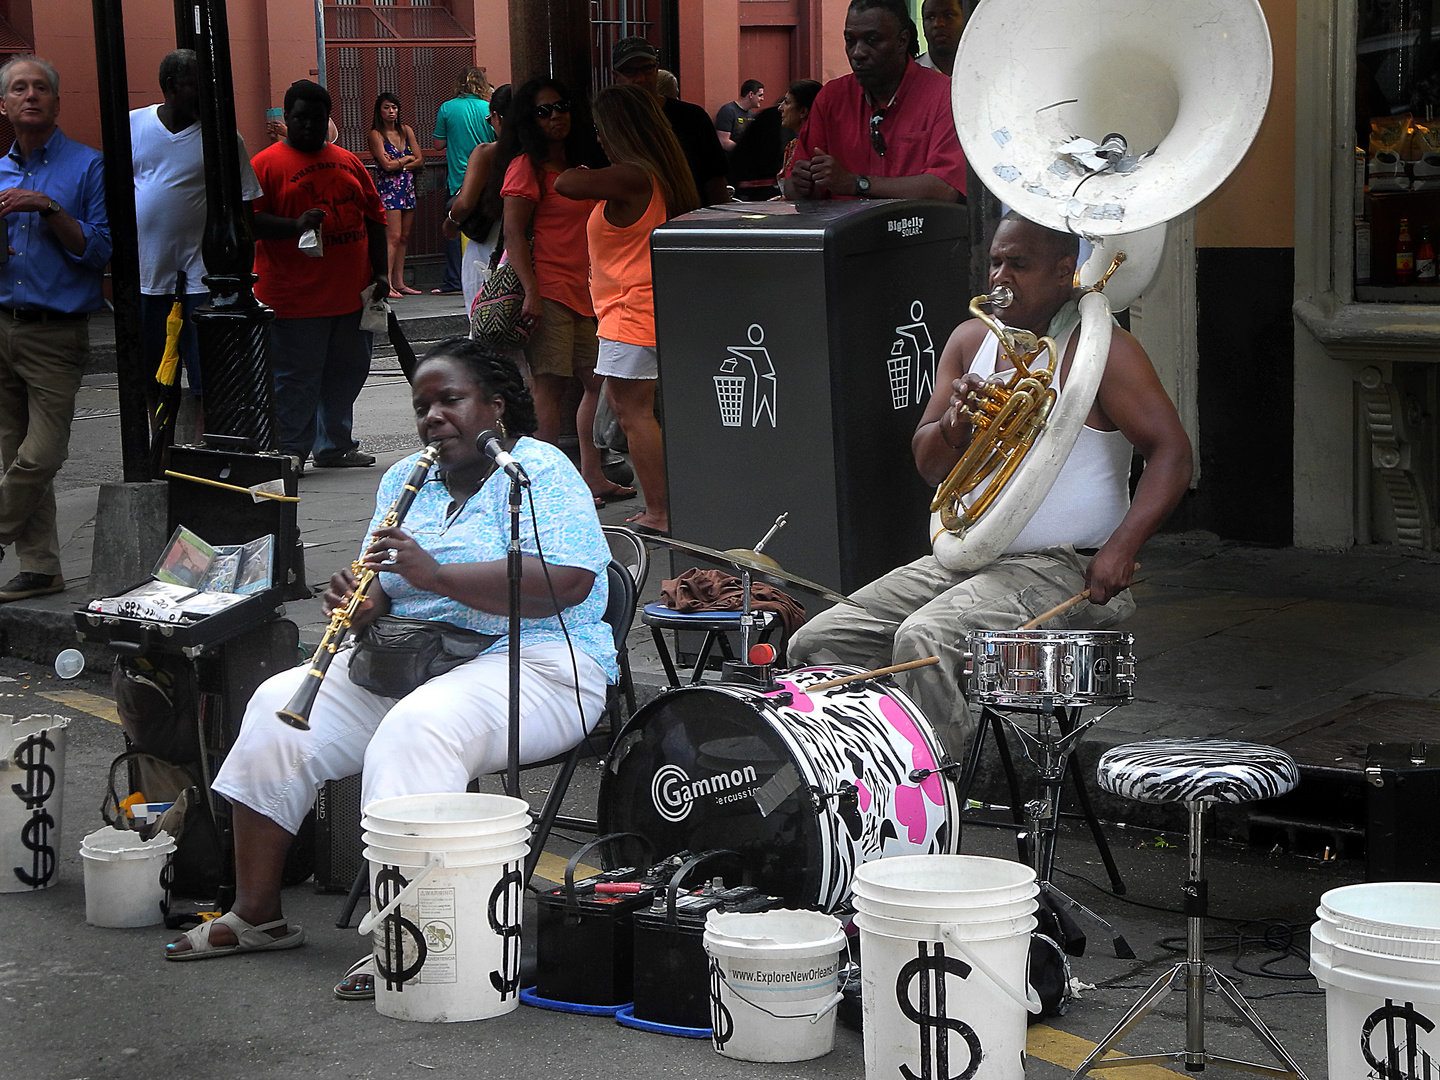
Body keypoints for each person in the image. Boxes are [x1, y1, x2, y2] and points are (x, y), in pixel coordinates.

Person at [164, 338, 616, 990]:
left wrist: (438, 574)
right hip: (412, 658)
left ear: (494, 406)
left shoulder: (537, 470)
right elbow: (384, 584)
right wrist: (362, 599)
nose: (433, 416)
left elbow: (569, 580)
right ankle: (257, 913)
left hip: (542, 662)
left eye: (450, 400)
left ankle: (410, 937)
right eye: (422, 405)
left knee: (418, 728)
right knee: (275, 708)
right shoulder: (406, 478)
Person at [788, 212, 1193, 760]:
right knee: (817, 642)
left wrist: (1123, 549)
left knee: (925, 639)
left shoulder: (1105, 351)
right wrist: (955, 423)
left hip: (1061, 566)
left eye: (1019, 265)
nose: (1000, 278)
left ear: (1063, 271)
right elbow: (930, 466)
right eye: (995, 263)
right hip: (966, 555)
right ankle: (863, 780)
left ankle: (934, 804)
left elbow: (1171, 452)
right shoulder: (968, 340)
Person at [555, 84, 700, 537]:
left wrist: (578, 162)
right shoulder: (657, 174)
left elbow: (565, 182)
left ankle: (659, 510)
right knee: (637, 410)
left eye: (600, 129)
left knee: (632, 413)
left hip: (631, 312)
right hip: (642, 309)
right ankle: (666, 503)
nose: (597, 138)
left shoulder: (633, 175)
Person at [488, 78, 632, 509]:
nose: (556, 117)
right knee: (549, 388)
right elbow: (513, 233)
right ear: (527, 121)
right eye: (543, 111)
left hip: (586, 291)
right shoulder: (525, 167)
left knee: (596, 382)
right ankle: (543, 485)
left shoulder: (581, 165)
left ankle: (591, 475)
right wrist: (531, 292)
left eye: (562, 106)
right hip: (549, 289)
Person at [0, 57, 109, 603]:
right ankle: (40, 567)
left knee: (41, 454)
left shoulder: (87, 167)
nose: (30, 96)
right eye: (19, 88)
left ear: (57, 101)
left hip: (56, 331)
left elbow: (97, 251)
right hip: (3, 326)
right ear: (4, 105)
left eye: (41, 87)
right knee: (11, 449)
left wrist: (46, 206)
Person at [250, 79, 387, 472]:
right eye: (300, 118)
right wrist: (294, 225)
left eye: (316, 118)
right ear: (287, 118)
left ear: (329, 119)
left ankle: (335, 445)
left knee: (347, 374)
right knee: (295, 379)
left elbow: (375, 218)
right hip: (294, 300)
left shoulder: (348, 160)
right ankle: (291, 450)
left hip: (351, 295)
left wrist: (380, 272)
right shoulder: (265, 164)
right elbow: (250, 224)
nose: (308, 125)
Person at [132, 49, 264, 440]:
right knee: (152, 372)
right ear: (172, 87)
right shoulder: (134, 126)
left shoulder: (223, 140)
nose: (207, 96)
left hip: (200, 280)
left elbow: (245, 209)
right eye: (197, 86)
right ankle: (162, 448)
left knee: (207, 373)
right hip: (147, 276)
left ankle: (207, 449)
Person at [785, 0, 966, 202]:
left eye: (872, 40)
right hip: (846, 232)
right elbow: (792, 188)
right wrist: (802, 183)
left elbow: (945, 189)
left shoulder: (943, 95)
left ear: (902, 41)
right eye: (850, 41)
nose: (857, 53)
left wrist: (856, 184)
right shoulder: (831, 98)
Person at [611, 37, 729, 206]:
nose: (640, 78)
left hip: (688, 221)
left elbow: (715, 183)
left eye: (647, 69)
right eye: (630, 71)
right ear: (616, 76)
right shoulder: (609, 123)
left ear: (657, 69)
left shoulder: (693, 117)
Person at [441, 83, 511, 309]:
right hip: (531, 246)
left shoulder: (487, 153)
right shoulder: (541, 152)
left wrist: (450, 223)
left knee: (485, 316)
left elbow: (465, 203)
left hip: (490, 243)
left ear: (497, 117)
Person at [433, 67, 495, 295]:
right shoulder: (488, 108)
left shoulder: (447, 108)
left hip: (458, 178)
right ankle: (490, 275)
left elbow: (438, 144)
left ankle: (454, 279)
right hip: (488, 180)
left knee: (453, 225)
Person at [367, 92, 422, 298]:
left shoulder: (406, 131)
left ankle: (399, 281)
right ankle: (386, 282)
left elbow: (420, 159)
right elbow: (386, 165)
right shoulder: (376, 134)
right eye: (386, 108)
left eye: (394, 108)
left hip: (406, 187)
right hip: (388, 189)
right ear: (379, 111)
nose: (391, 112)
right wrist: (406, 159)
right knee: (393, 236)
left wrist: (402, 163)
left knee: (404, 237)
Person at [777, 78, 822, 184]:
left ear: (803, 111)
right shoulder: (792, 146)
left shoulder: (818, 147)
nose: (780, 108)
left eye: (787, 103)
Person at [917, 0, 965, 77]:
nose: (938, 23)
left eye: (948, 15)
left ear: (965, 19)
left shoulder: (983, 67)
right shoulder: (911, 75)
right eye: (930, 17)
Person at [715, 79, 764, 152]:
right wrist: (744, 151)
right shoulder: (728, 111)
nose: (762, 99)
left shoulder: (752, 115)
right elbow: (723, 141)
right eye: (760, 95)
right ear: (750, 94)